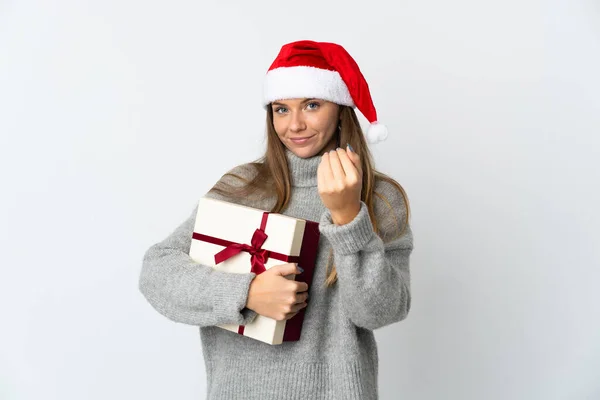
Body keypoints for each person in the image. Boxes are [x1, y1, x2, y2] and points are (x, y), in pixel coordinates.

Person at [139, 40, 414, 400]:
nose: (295, 125)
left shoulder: (379, 199)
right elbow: (157, 272)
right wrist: (247, 293)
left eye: (312, 105)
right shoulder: (242, 186)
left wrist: (348, 217)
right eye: (281, 109)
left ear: (341, 110)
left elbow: (379, 312)